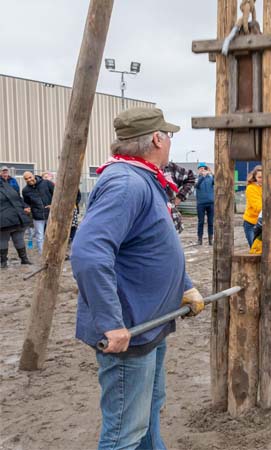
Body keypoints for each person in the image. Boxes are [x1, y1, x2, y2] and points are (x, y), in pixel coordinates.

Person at [72, 107, 205, 449]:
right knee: (124, 434)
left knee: (147, 418)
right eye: (169, 136)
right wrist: (111, 323)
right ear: (157, 139)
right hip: (129, 331)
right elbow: (88, 253)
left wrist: (184, 286)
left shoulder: (144, 179)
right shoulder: (128, 183)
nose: (170, 142)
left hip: (151, 324)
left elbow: (151, 247)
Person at [0, 174, 32, 267]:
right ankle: (23, 259)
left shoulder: (7, 185)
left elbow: (18, 198)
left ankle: (4, 262)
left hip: (8, 219)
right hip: (15, 217)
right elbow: (18, 198)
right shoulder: (8, 185)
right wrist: (24, 206)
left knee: (4, 240)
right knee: (16, 239)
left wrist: (25, 206)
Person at [22, 171, 54, 255]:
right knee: (39, 236)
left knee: (52, 234)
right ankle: (42, 254)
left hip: (50, 214)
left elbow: (56, 194)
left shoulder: (46, 183)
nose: (29, 180)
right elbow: (26, 202)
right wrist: (27, 207)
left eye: (30, 177)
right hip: (37, 215)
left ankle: (53, 253)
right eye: (26, 179)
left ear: (33, 176)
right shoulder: (25, 190)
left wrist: (53, 205)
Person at [163, 161, 196, 233]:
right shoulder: (136, 169)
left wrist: (181, 196)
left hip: (171, 224)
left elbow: (191, 178)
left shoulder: (169, 167)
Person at [195, 162, 215, 245]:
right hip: (201, 204)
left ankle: (211, 239)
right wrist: (202, 176)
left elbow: (217, 181)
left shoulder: (210, 178)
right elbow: (197, 185)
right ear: (198, 170)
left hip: (211, 203)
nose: (202, 170)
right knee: (201, 222)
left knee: (210, 222)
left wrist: (212, 173)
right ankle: (200, 239)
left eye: (204, 168)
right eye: (200, 168)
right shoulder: (197, 179)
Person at [243, 165, 263, 247]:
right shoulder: (251, 188)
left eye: (263, 177)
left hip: (264, 223)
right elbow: (258, 206)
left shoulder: (268, 187)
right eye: (259, 177)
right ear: (255, 177)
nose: (262, 179)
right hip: (252, 223)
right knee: (255, 248)